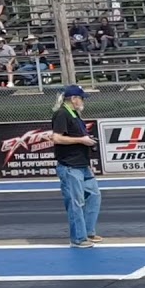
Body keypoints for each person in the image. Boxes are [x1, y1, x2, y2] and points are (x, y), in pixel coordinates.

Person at [50, 86, 103, 248]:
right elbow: (57, 138)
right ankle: (78, 238)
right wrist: (82, 140)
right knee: (76, 202)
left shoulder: (75, 115)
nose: (83, 101)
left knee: (94, 195)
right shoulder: (62, 114)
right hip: (70, 165)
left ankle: (87, 231)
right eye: (82, 98)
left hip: (82, 164)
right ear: (74, 99)